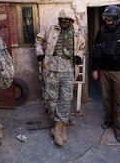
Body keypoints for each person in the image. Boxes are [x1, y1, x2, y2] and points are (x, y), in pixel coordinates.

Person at [35, 8, 85, 147]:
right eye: (60, 20)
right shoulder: (50, 29)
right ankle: (60, 126)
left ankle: (57, 128)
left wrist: (79, 56)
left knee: (66, 98)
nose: (62, 22)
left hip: (68, 69)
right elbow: (38, 41)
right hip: (51, 68)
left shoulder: (77, 34)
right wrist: (39, 52)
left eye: (65, 20)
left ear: (71, 21)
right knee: (52, 98)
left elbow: (82, 48)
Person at [91, 5, 120, 143]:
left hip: (119, 71)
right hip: (104, 71)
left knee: (119, 101)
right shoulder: (101, 31)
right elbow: (96, 50)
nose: (107, 20)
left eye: (110, 18)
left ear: (116, 18)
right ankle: (109, 120)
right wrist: (94, 68)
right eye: (105, 17)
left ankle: (119, 129)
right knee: (106, 99)